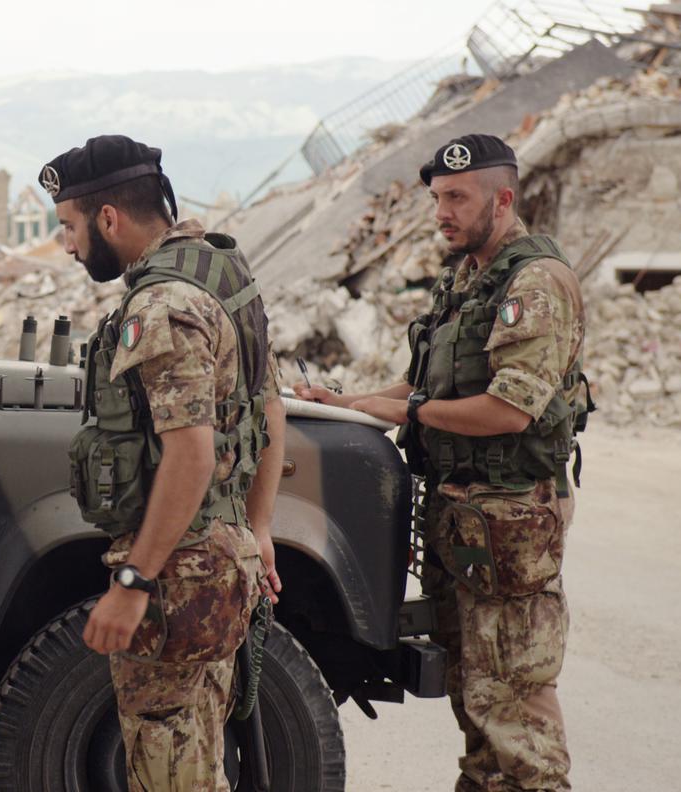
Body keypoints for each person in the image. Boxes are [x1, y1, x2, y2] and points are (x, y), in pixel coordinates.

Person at [295, 133, 588, 792]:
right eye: (437, 198)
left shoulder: (534, 282)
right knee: (475, 702)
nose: (442, 212)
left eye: (457, 197)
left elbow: (508, 410)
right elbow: (424, 387)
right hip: (465, 522)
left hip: (511, 520)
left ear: (502, 199)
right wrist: (348, 402)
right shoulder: (466, 279)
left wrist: (412, 414)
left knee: (514, 713)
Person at [40, 135, 286, 791]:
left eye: (69, 225)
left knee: (167, 763)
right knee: (195, 759)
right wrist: (255, 528)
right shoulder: (225, 278)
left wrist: (133, 583)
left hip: (182, 571)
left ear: (109, 219)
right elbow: (270, 409)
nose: (66, 243)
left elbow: (190, 453)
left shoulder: (161, 307)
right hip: (220, 554)